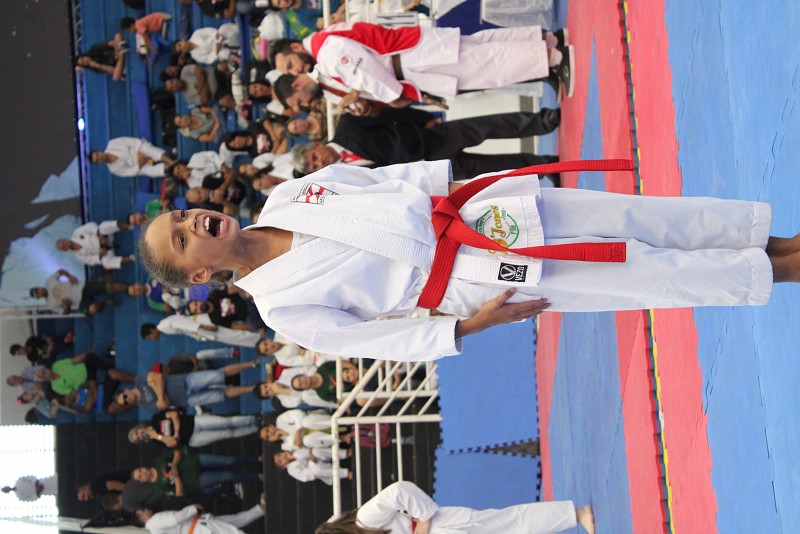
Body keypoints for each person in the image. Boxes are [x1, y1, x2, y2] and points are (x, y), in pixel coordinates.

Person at [140, 159, 789, 361]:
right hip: (470, 276)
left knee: (640, 218)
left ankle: (777, 244)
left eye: (183, 216)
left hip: (473, 213)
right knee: (641, 273)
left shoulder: (287, 197)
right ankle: (784, 268)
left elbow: (383, 179)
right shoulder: (281, 309)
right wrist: (467, 327)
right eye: (183, 238)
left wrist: (459, 184)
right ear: (200, 275)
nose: (193, 221)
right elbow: (376, 341)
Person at [270, 24, 574, 106]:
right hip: (413, 52)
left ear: (295, 47)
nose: (296, 70)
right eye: (289, 71)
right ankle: (546, 39)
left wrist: (393, 96)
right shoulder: (323, 42)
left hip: (412, 60)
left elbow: (367, 72)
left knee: (487, 64)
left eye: (291, 64)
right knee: (481, 46)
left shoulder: (325, 51)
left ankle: (554, 58)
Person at [287, 105, 561, 181]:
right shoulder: (348, 174)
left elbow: (390, 114)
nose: (319, 162)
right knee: (491, 169)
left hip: (428, 137)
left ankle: (543, 120)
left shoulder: (347, 125)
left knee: (489, 126)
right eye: (314, 167)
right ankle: (545, 167)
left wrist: (424, 119)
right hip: (430, 170)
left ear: (315, 145)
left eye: (314, 158)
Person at [316, 480, 594, 534]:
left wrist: (424, 519)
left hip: (442, 527)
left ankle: (577, 513)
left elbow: (398, 490)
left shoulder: (365, 520)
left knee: (513, 523)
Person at [116, 359, 260, 412]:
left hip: (184, 381)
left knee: (218, 375)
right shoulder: (145, 406)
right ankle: (252, 388)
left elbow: (158, 377)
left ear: (126, 390)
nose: (128, 399)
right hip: (186, 400)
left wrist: (160, 395)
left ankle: (252, 363)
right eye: (125, 402)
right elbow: (164, 404)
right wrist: (157, 389)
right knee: (222, 395)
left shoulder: (139, 380)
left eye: (125, 397)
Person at [130, 448, 260, 499]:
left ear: (142, 467)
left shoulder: (157, 461)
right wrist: (177, 478)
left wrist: (174, 463)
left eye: (140, 471)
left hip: (194, 461)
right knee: (227, 476)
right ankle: (257, 476)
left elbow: (177, 452)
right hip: (196, 480)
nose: (143, 473)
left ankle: (257, 458)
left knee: (227, 460)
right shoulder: (159, 486)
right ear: (142, 481)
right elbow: (179, 493)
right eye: (140, 476)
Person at [128, 410, 260, 448]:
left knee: (225, 422)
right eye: (138, 438)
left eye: (137, 433)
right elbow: (173, 443)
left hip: (194, 422)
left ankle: (253, 419)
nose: (140, 435)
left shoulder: (155, 419)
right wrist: (157, 436)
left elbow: (173, 415)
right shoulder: (156, 442)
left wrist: (177, 431)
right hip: (193, 439)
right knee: (226, 433)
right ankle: (255, 428)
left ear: (139, 428)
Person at [30, 268, 135, 315]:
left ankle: (129, 289)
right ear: (38, 298)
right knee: (92, 310)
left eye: (37, 290)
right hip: (80, 302)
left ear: (38, 287)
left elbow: (60, 271)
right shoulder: (50, 304)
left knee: (109, 287)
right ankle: (106, 302)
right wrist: (66, 306)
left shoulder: (49, 281)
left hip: (82, 287)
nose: (39, 292)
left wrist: (70, 276)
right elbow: (65, 313)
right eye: (37, 294)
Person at [138, 500, 266, 533]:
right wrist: (192, 508)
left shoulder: (154, 530)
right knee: (233, 532)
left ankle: (260, 509)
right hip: (200, 528)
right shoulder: (154, 522)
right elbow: (175, 518)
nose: (146, 509)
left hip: (197, 526)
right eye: (143, 511)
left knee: (234, 520)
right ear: (142, 518)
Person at [141, 312, 260, 347]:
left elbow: (184, 323)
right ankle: (257, 339)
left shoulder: (164, 325)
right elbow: (186, 330)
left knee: (233, 335)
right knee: (232, 336)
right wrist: (204, 337)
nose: (152, 339)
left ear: (152, 331)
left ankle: (259, 338)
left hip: (201, 325)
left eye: (150, 337)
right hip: (199, 329)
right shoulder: (163, 328)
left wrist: (205, 328)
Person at [56, 221, 135, 270]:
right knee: (106, 264)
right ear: (65, 250)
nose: (65, 245)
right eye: (63, 247)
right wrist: (100, 255)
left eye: (64, 242)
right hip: (105, 251)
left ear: (65, 239)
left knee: (103, 227)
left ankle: (129, 226)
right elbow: (91, 261)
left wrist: (99, 235)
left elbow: (90, 226)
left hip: (103, 236)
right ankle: (131, 258)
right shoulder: (78, 256)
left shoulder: (76, 233)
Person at [90, 137, 175, 178]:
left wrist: (139, 153)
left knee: (149, 150)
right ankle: (174, 167)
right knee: (150, 172)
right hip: (138, 165)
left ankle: (173, 163)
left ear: (99, 151)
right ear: (98, 163)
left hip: (139, 149)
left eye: (97, 155)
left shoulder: (112, 144)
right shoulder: (113, 169)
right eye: (97, 160)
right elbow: (129, 172)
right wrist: (140, 164)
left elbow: (131, 141)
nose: (99, 158)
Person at [174, 23, 240, 66]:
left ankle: (241, 28)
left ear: (182, 40)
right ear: (183, 53)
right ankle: (240, 54)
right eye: (181, 50)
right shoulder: (195, 56)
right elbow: (209, 59)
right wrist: (217, 50)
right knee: (223, 54)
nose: (183, 47)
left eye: (180, 45)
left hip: (219, 38)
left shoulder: (196, 34)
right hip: (219, 51)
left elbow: (210, 32)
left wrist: (218, 41)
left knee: (223, 28)